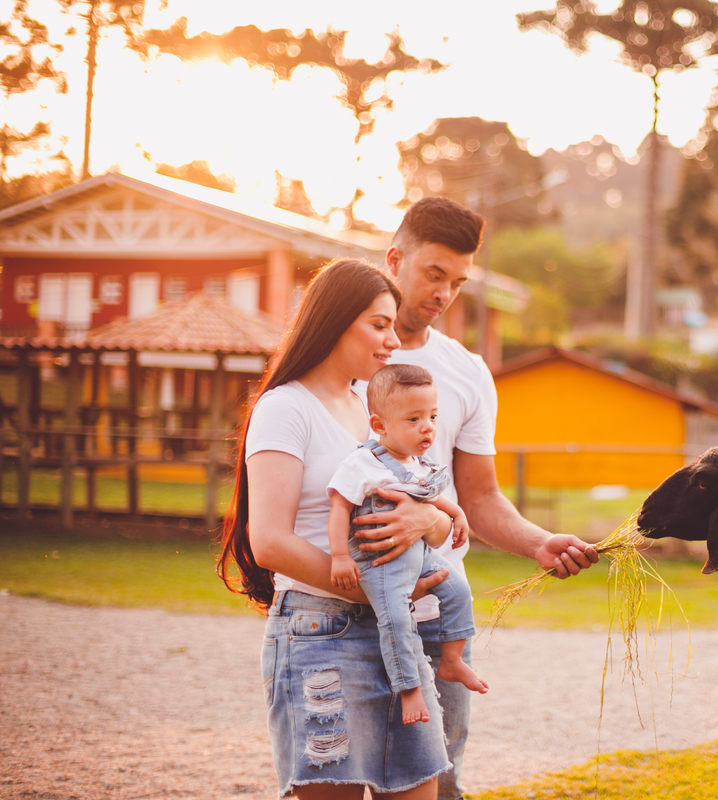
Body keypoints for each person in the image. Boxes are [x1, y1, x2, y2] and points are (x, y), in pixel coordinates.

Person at [383, 196, 600, 800]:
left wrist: (539, 542)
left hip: (435, 610)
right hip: (345, 604)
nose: (444, 293)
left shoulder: (467, 372)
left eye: (457, 282)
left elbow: (479, 497)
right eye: (433, 273)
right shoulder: (340, 357)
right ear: (394, 259)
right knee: (339, 776)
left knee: (438, 778)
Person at [218, 258, 457, 800]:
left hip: (395, 633)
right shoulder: (285, 408)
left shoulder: (374, 410)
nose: (393, 340)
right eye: (379, 324)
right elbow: (269, 541)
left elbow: (434, 514)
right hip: (321, 634)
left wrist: (429, 518)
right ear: (333, 321)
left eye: (393, 326)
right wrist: (378, 591)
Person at [326, 363, 487, 726]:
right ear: (380, 425)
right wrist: (339, 556)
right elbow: (339, 508)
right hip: (379, 560)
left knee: (458, 590)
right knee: (396, 618)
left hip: (420, 553)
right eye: (414, 419)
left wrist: (456, 512)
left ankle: (452, 659)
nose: (427, 426)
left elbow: (430, 498)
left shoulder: (418, 464)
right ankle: (409, 689)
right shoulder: (362, 464)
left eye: (432, 416)